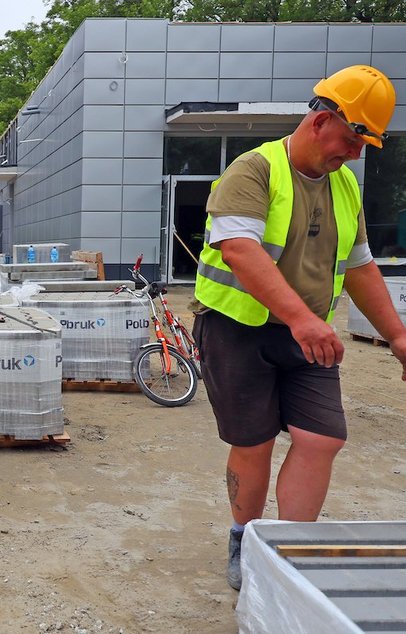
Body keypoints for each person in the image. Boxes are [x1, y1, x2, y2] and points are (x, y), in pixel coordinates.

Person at [192, 65, 406, 592]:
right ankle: (245, 537)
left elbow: (359, 267)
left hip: (306, 334)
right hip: (237, 329)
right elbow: (239, 251)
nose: (355, 153)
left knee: (322, 438)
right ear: (321, 120)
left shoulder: (344, 188)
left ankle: (285, 553)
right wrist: (302, 319)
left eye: (364, 144)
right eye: (353, 138)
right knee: (254, 442)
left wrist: (398, 337)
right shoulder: (254, 170)